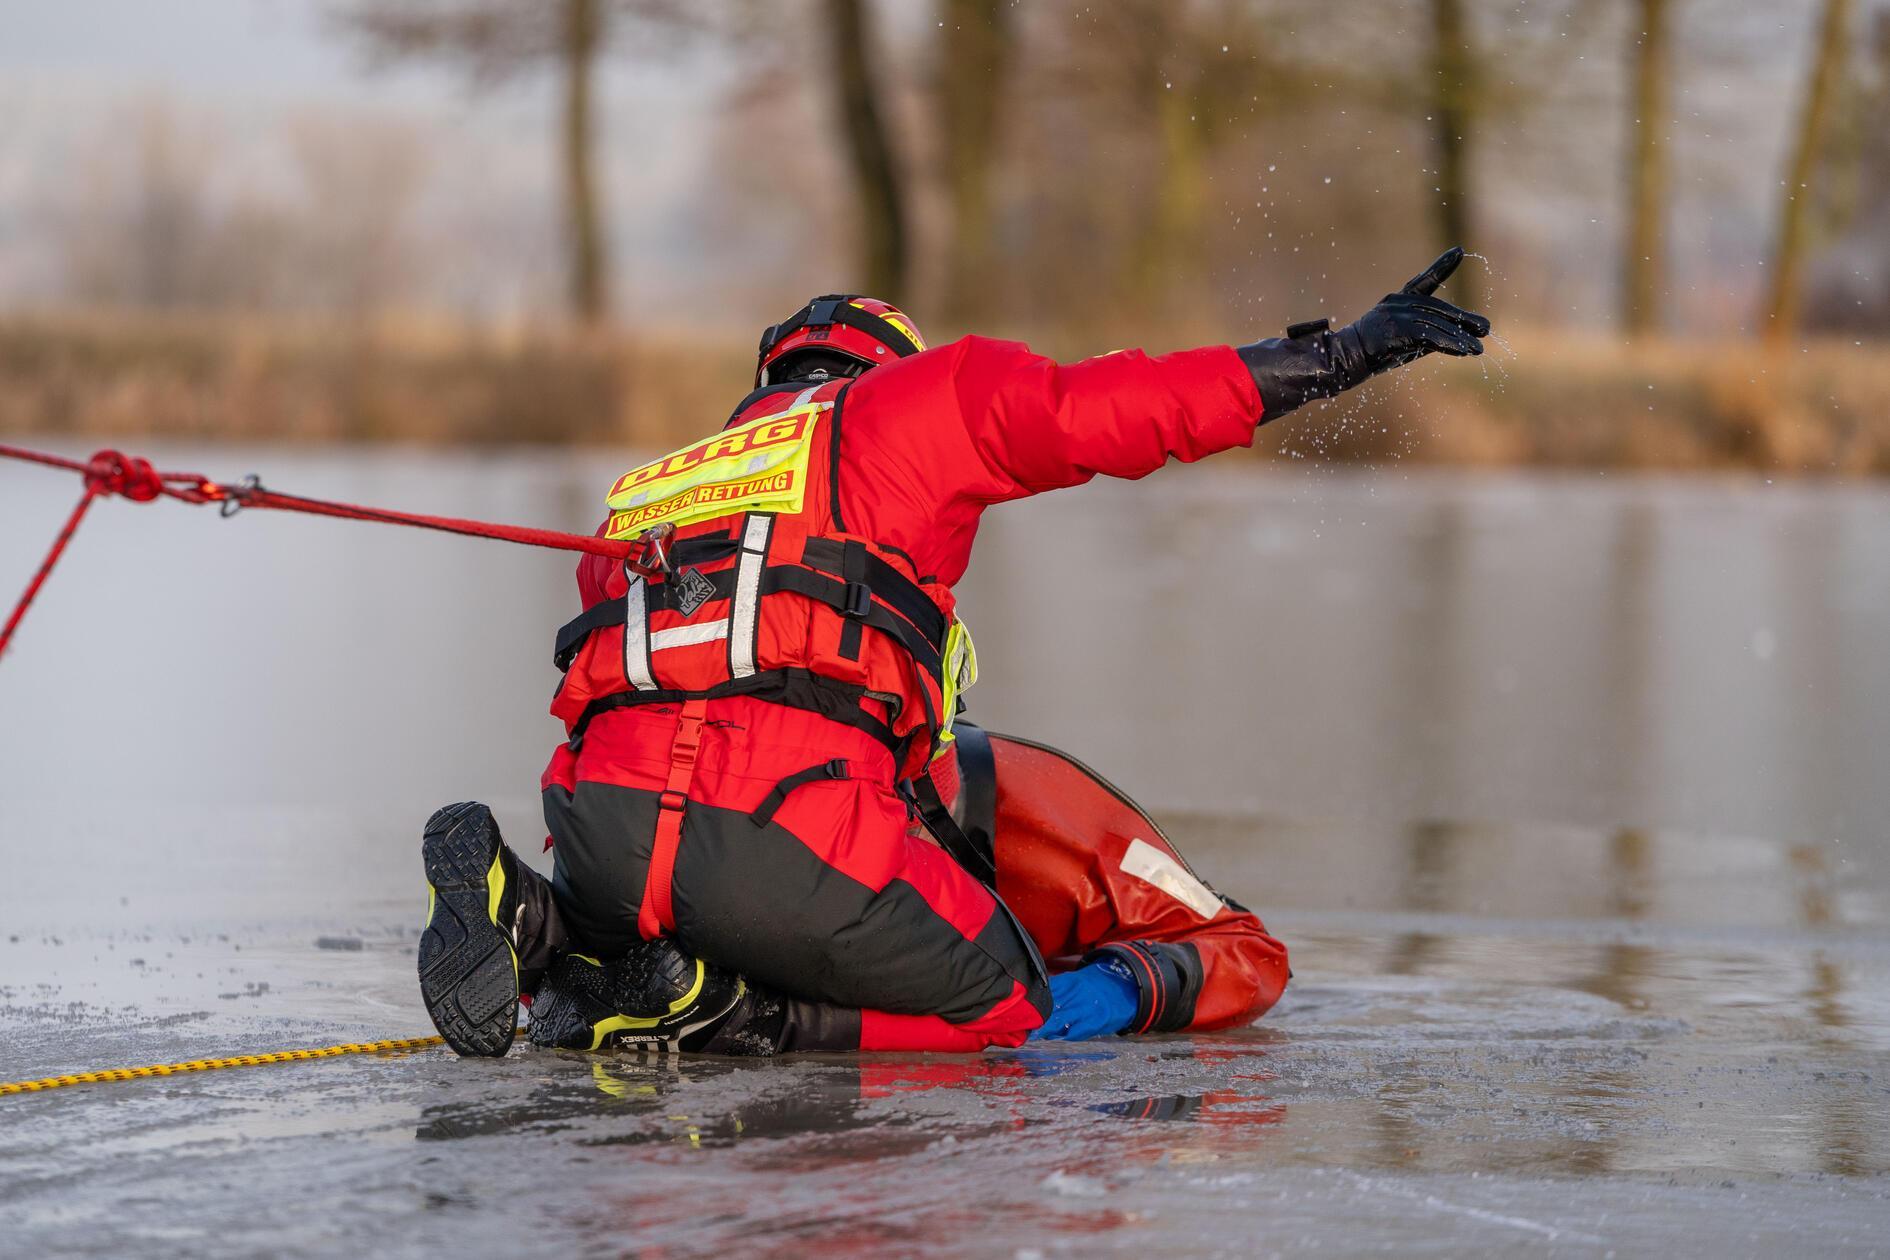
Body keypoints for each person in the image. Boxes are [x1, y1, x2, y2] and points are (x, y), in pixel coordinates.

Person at [417, 250, 1491, 1056]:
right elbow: (1117, 408)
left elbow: (610, 697)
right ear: (888, 367)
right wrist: (1338, 354)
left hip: (600, 830)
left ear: (770, 378)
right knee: (1008, 1006)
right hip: (793, 831)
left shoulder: (655, 485)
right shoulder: (914, 409)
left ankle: (548, 924)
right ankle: (737, 1018)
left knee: (665, 876)